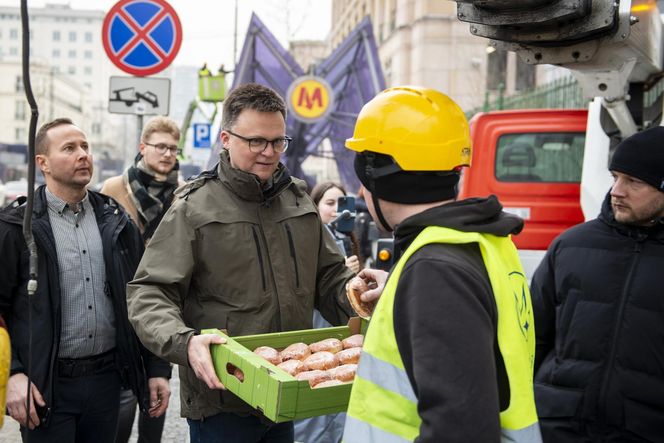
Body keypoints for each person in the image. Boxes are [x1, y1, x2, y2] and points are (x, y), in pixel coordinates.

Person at [126, 83, 361, 443]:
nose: (269, 153)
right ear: (225, 138)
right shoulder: (193, 207)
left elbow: (328, 278)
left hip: (286, 388)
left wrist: (358, 294)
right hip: (222, 400)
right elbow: (149, 292)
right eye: (256, 141)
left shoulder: (298, 200)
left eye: (278, 141)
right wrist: (185, 342)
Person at [341, 86, 542, 442]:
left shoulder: (436, 272)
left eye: (362, 181)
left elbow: (460, 428)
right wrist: (403, 290)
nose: (360, 195)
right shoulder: (480, 242)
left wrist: (422, 287)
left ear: (376, 176)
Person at [0, 118, 171, 442]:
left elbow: (145, 297)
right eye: (69, 148)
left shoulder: (115, 221)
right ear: (43, 163)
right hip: (45, 388)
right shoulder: (17, 227)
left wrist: (157, 369)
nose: (83, 155)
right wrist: (13, 374)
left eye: (85, 147)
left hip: (106, 385)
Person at [530, 126, 664, 442]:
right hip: (558, 426)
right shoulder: (570, 245)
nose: (616, 190)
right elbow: (531, 337)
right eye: (615, 177)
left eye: (634, 181)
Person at [101, 116, 182, 442]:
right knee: (120, 405)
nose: (167, 154)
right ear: (142, 147)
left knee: (156, 401)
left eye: (173, 148)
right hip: (117, 302)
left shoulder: (183, 193)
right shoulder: (113, 189)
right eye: (160, 146)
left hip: (164, 301)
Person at [310, 181, 363, 273]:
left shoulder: (348, 237)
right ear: (315, 206)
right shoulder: (308, 241)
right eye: (330, 203)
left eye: (342, 203)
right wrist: (341, 272)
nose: (337, 209)